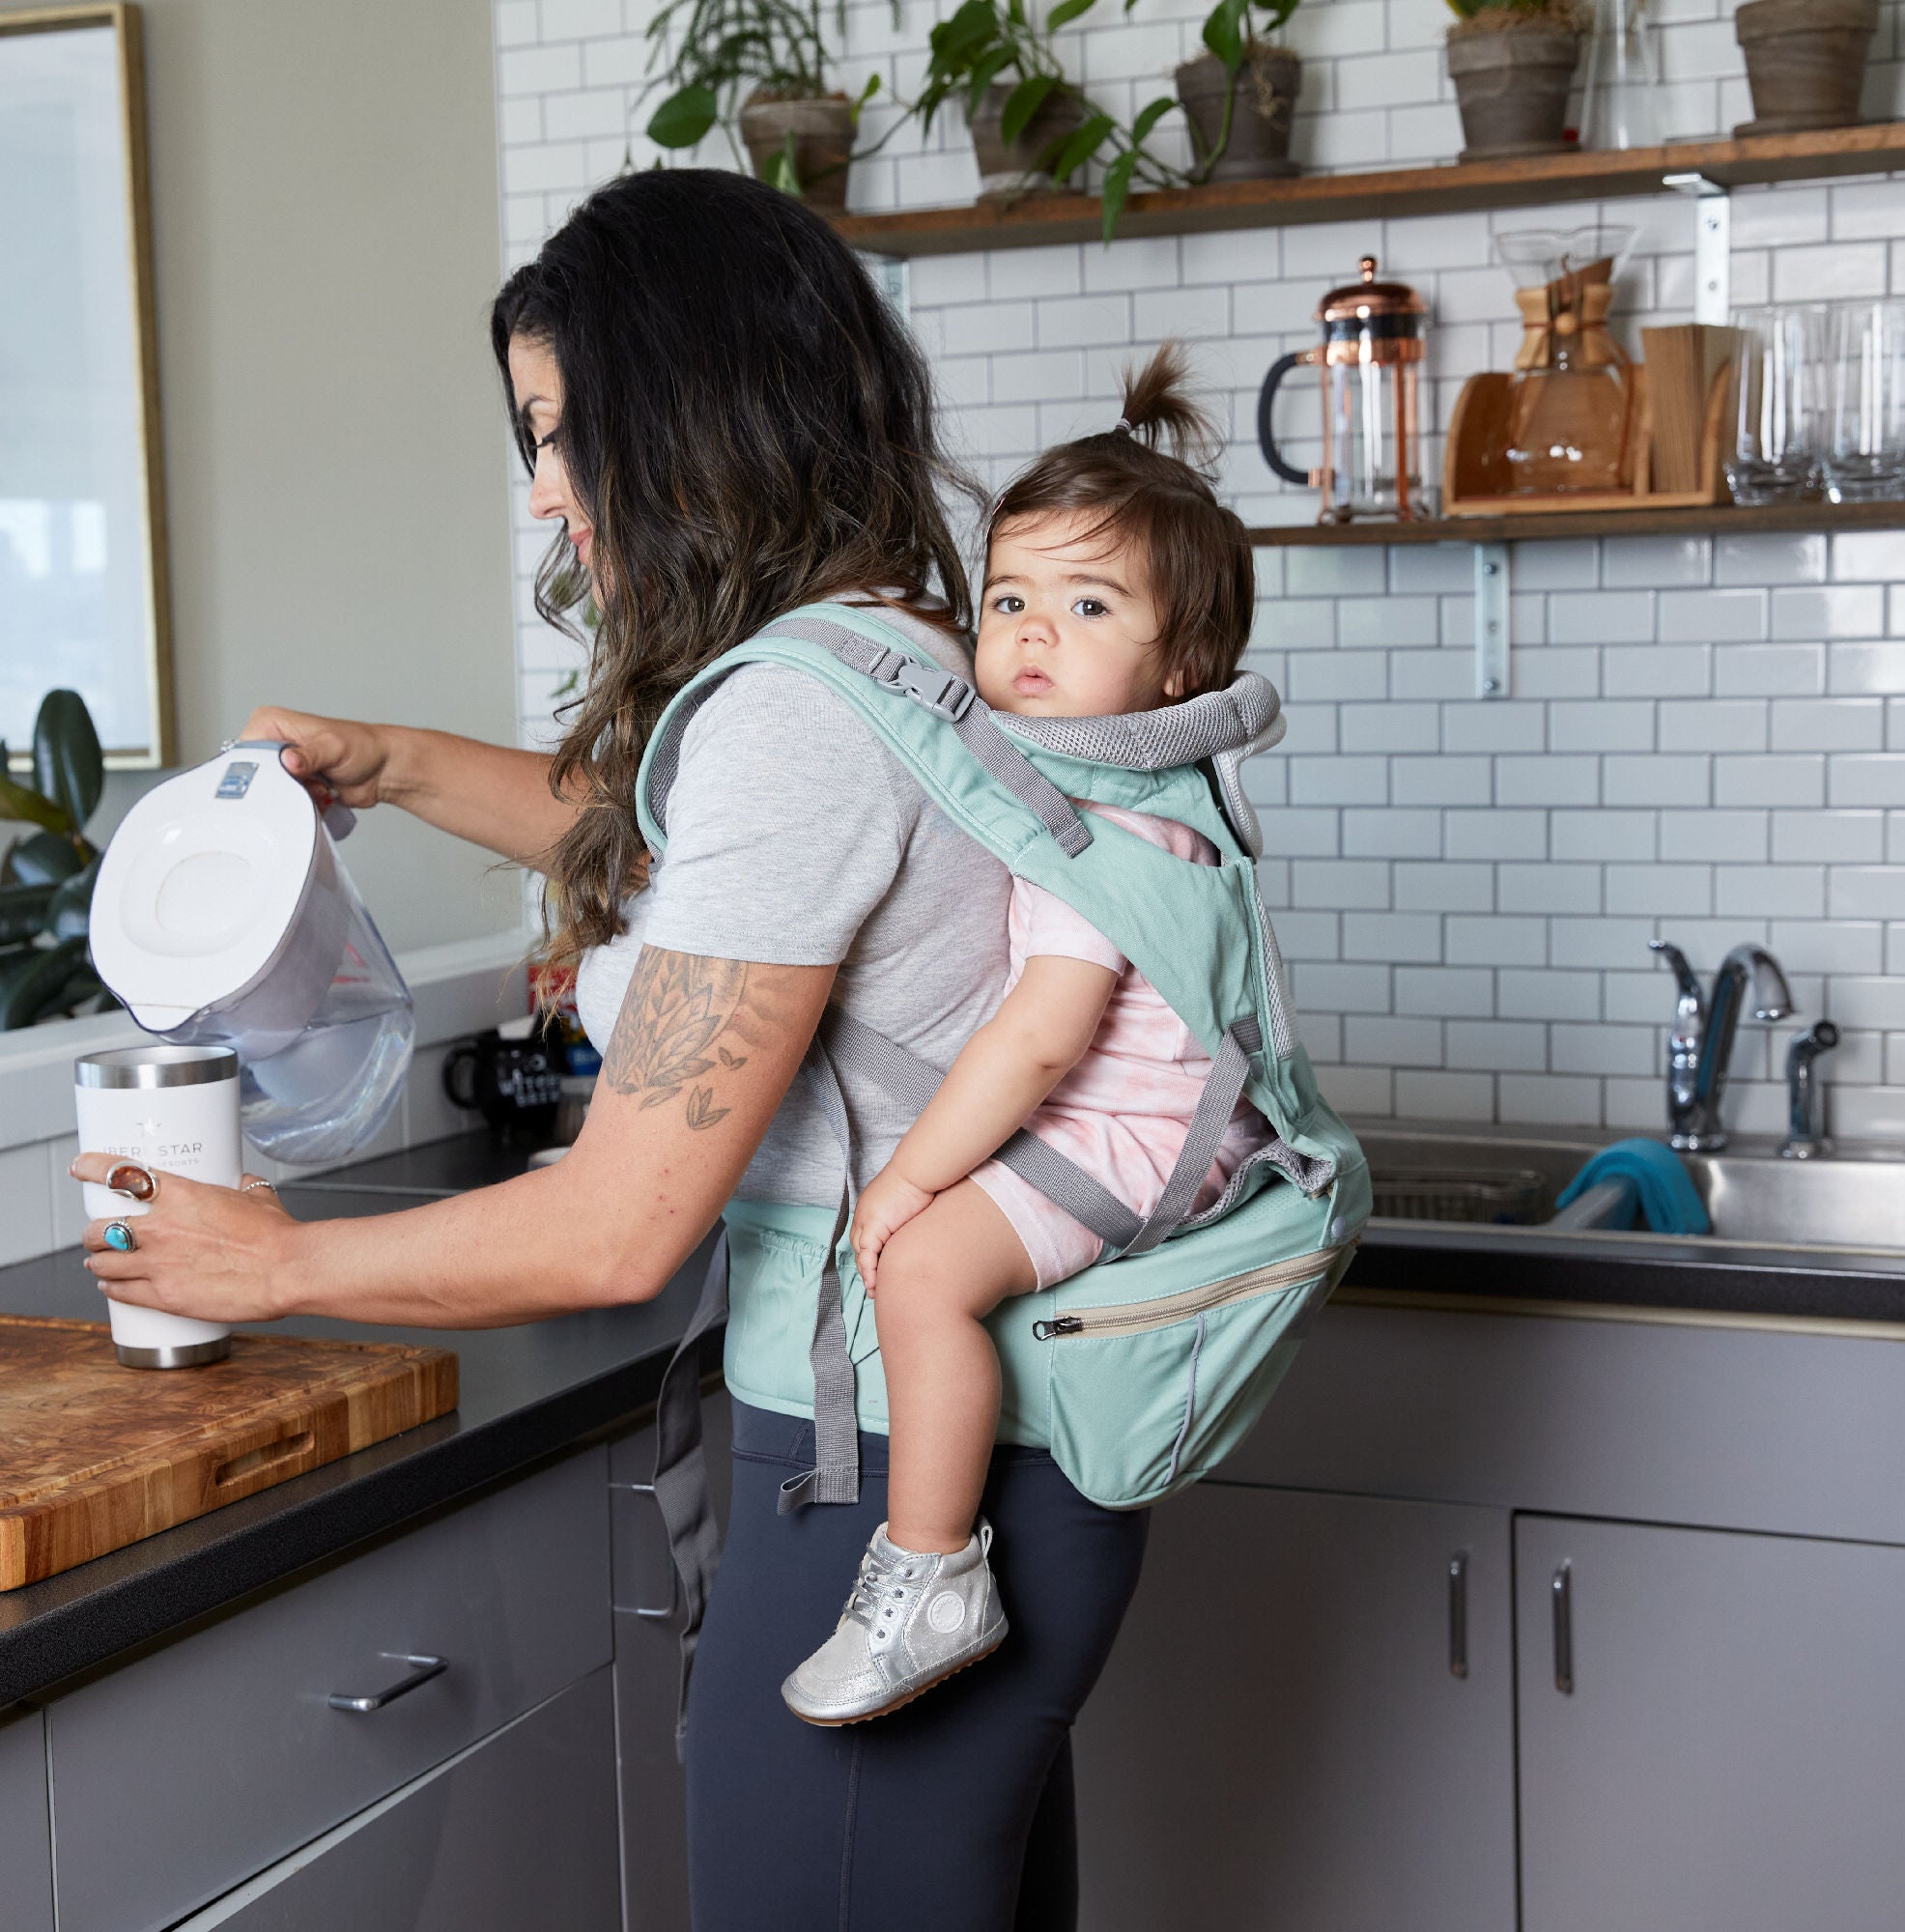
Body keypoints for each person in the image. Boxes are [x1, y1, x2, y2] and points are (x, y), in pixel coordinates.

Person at [68, 168, 1143, 1930]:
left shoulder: (799, 717)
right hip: (987, 1471)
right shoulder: (897, 652)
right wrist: (399, 763)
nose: (551, 493)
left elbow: (615, 1228)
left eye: (567, 435)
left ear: (694, 405)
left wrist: (265, 1261)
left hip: (881, 1482)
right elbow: (713, 872)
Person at [780, 347, 1275, 1730]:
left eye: (1087, 602)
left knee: (924, 1270)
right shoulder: (1130, 778)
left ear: (1181, 664)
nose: (1031, 634)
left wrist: (908, 1179)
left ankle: (933, 1572)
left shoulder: (1108, 830)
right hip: (1146, 1122)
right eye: (1010, 598)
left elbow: (1042, 1041)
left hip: (1126, 1138)